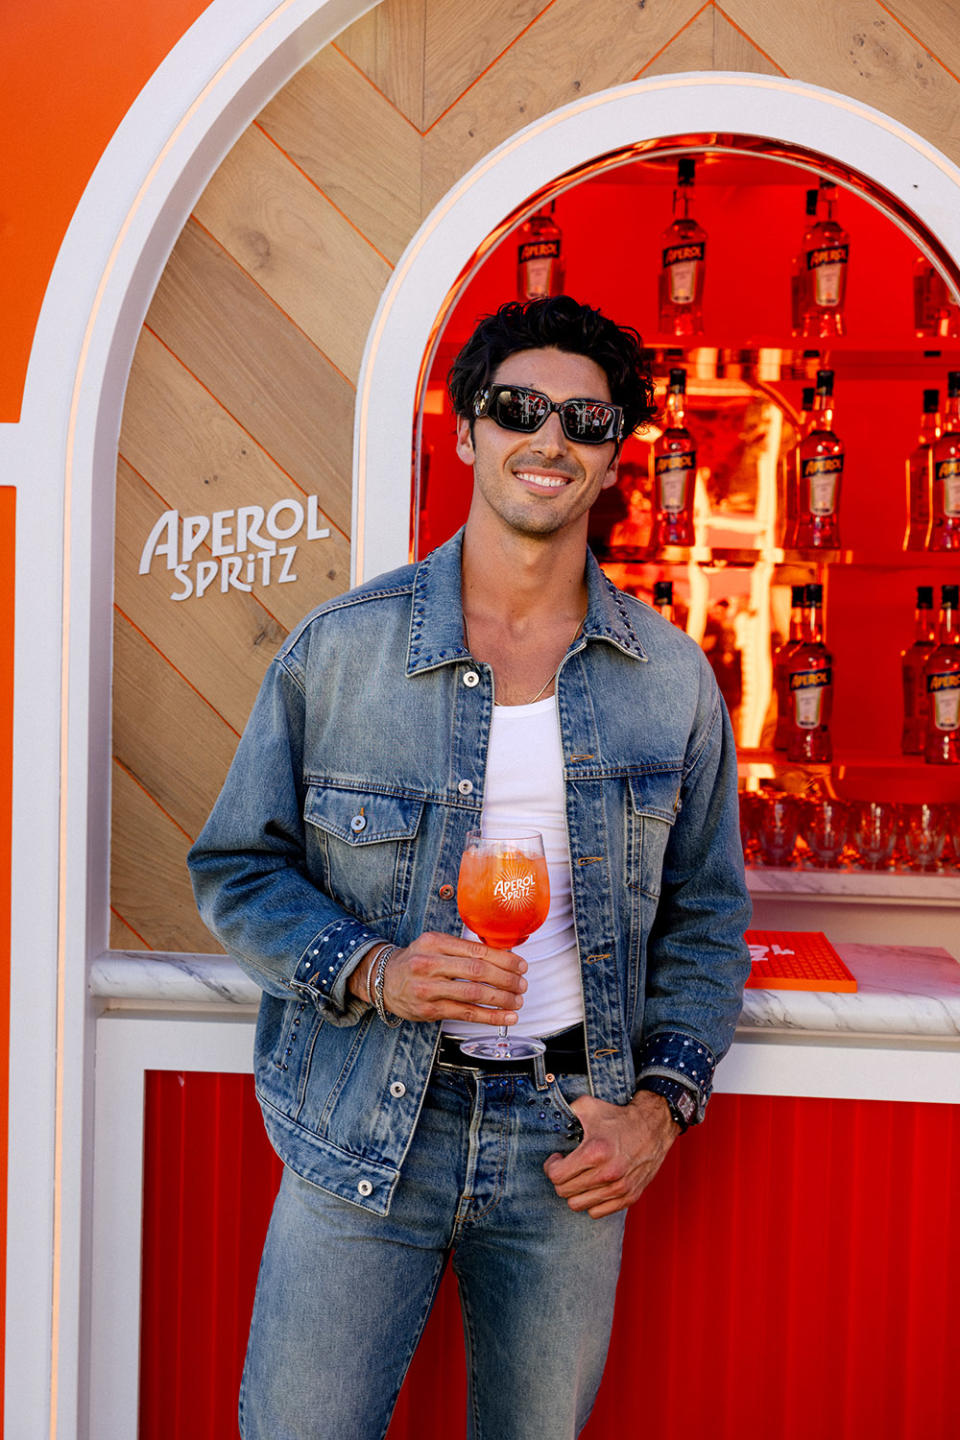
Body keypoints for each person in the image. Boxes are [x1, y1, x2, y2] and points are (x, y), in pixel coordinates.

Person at [188, 295, 751, 1440]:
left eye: (585, 421)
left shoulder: (671, 681)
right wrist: (374, 969)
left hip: (567, 1137)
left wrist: (660, 1106)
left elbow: (706, 919)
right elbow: (237, 869)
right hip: (366, 1125)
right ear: (466, 433)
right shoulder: (341, 653)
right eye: (519, 409)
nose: (550, 439)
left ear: (613, 454)